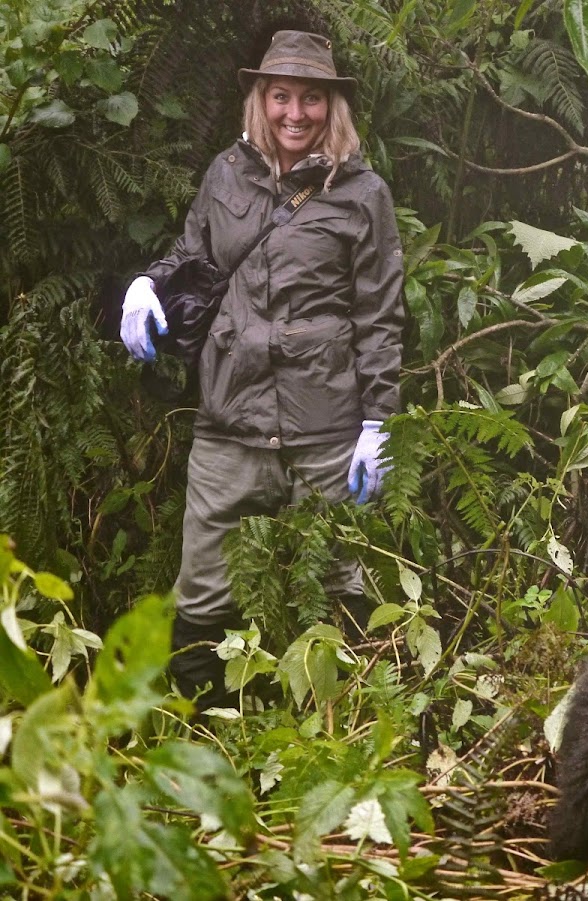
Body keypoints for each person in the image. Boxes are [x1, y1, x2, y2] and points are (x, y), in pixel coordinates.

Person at [119, 30, 406, 710]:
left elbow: (380, 314)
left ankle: (343, 729)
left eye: (311, 98)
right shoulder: (226, 174)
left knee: (338, 584)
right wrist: (146, 283)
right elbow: (193, 255)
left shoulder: (363, 193)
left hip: (327, 426)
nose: (295, 114)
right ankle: (208, 733)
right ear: (261, 99)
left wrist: (378, 422)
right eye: (281, 96)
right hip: (230, 419)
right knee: (203, 594)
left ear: (332, 105)